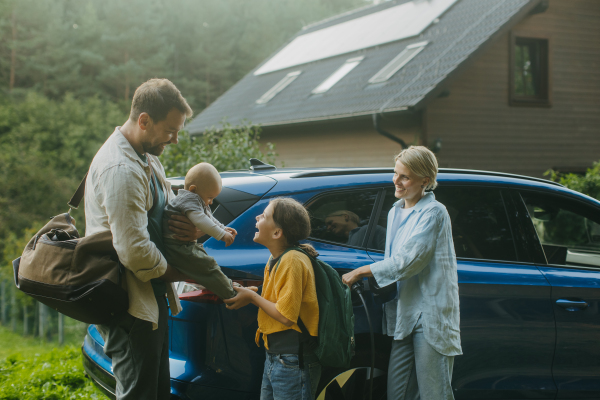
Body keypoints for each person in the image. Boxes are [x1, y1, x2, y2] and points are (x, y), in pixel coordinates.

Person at [85, 78, 202, 400]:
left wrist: (196, 228)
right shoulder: (121, 168)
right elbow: (135, 252)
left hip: (148, 296)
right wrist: (188, 273)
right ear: (144, 120)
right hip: (129, 302)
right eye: (170, 130)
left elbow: (163, 213)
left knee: (154, 390)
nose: (175, 139)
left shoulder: (146, 156)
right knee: (139, 393)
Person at [342, 146, 462, 400]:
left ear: (425, 181)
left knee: (434, 394)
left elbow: (409, 261)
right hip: (404, 315)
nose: (396, 180)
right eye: (395, 173)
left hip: (430, 316)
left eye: (405, 177)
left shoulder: (434, 213)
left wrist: (361, 272)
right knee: (398, 393)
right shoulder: (395, 211)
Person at [223, 198, 322, 400]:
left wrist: (252, 297)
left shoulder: (293, 260)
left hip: (292, 360)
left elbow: (286, 316)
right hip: (276, 356)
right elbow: (277, 299)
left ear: (277, 233)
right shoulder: (276, 258)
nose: (258, 218)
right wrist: (252, 293)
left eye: (265, 216)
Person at [161, 162, 238, 299]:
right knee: (207, 265)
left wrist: (223, 227)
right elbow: (201, 220)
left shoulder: (197, 199)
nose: (211, 202)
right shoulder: (188, 200)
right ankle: (231, 293)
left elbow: (209, 217)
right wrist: (221, 235)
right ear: (193, 189)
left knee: (208, 264)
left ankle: (231, 287)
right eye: (210, 197)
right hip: (176, 248)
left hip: (183, 246)